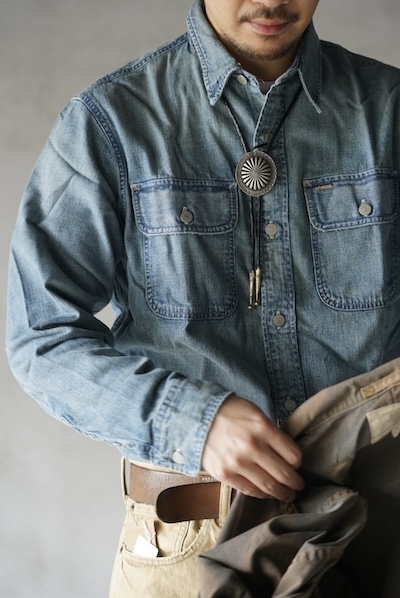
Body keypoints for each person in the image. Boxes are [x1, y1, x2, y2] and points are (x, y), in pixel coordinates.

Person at [6, 0, 400, 596]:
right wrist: (194, 422)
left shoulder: (389, 109)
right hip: (186, 551)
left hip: (374, 540)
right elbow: (40, 336)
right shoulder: (111, 120)